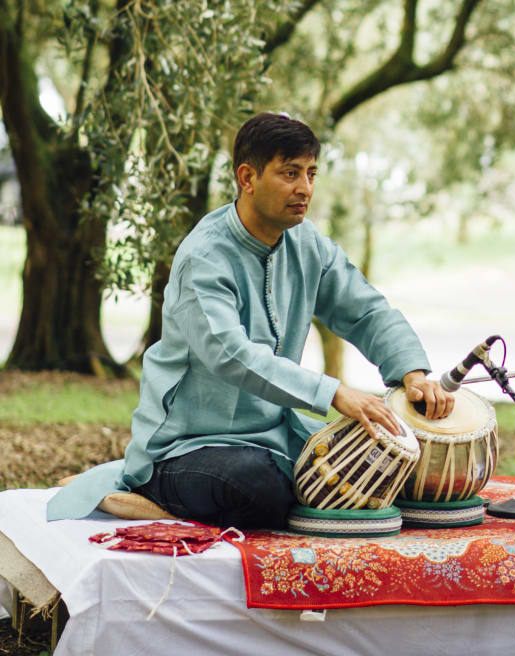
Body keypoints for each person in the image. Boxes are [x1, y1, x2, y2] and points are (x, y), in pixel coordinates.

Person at [48, 113, 454, 529]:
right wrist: (333, 393)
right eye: (290, 173)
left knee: (377, 469)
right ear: (248, 177)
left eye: (311, 174)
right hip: (187, 448)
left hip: (277, 438)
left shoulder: (307, 243)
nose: (305, 188)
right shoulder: (204, 257)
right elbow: (231, 354)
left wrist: (413, 372)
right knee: (261, 488)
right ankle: (141, 495)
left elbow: (366, 310)